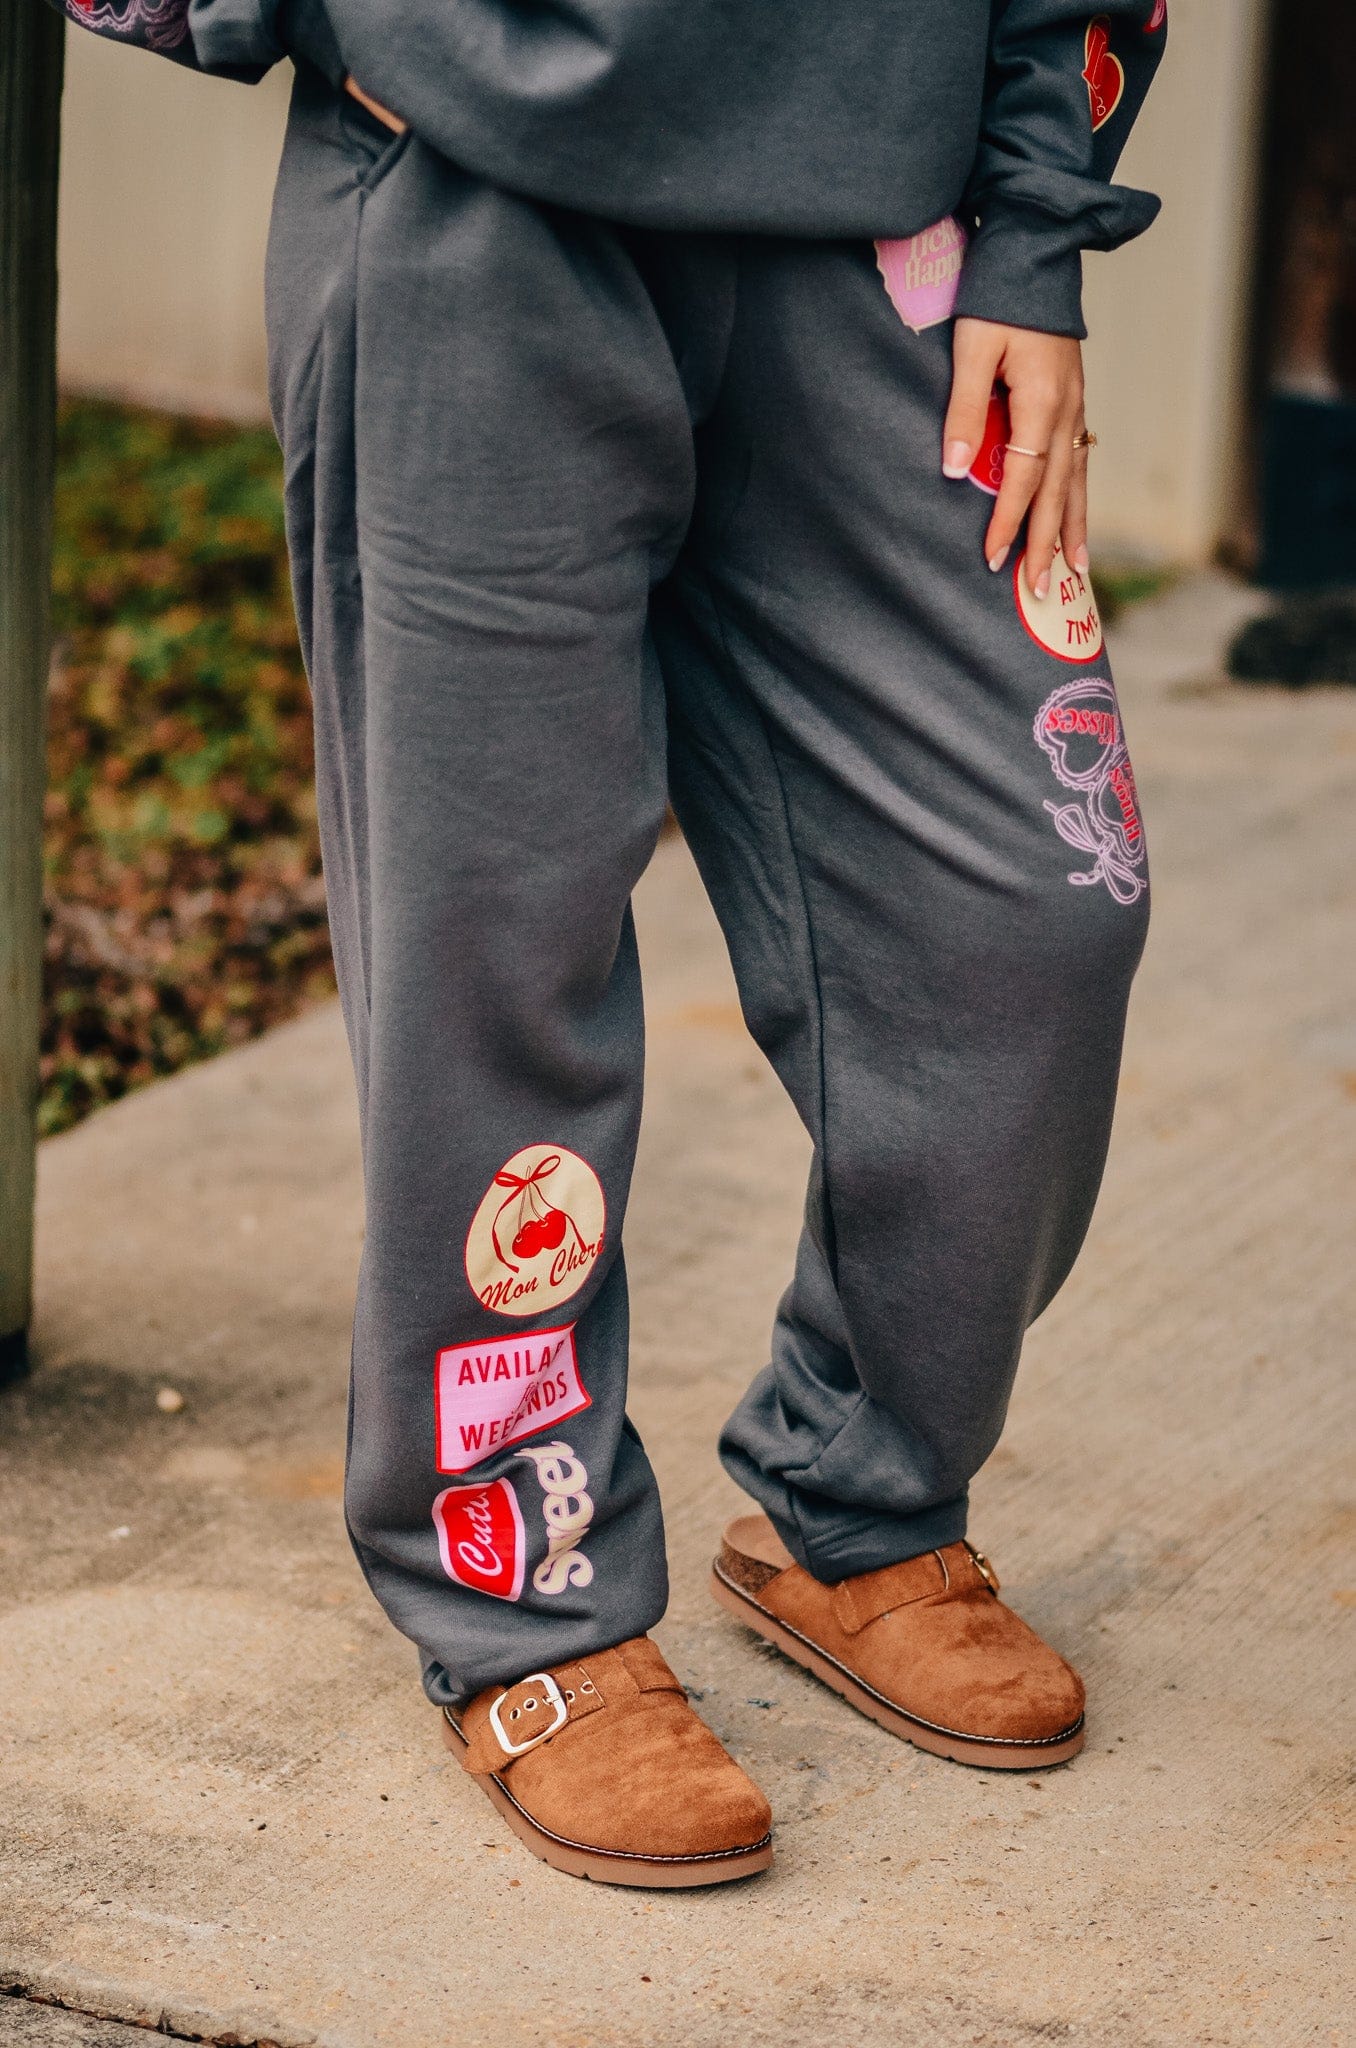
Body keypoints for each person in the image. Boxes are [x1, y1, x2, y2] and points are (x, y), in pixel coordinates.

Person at [53, 0, 1165, 1887]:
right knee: (497, 975)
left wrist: (1035, 227)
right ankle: (528, 1598)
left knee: (1036, 911)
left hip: (883, 246)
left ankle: (853, 1489)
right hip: (478, 216)